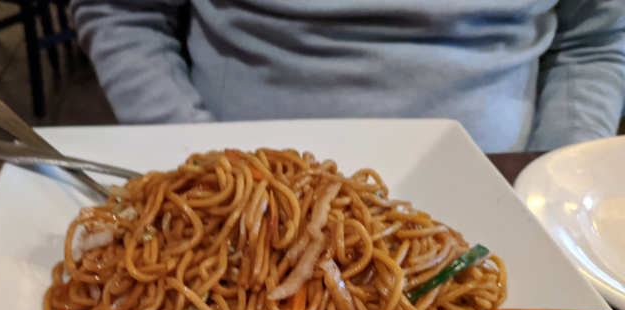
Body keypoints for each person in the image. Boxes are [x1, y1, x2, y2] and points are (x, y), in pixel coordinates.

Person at [70, 1, 625, 153]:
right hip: (236, 183)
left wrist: (555, 179)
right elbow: (124, 11)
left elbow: (594, 38)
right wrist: (192, 156)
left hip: (499, 177)